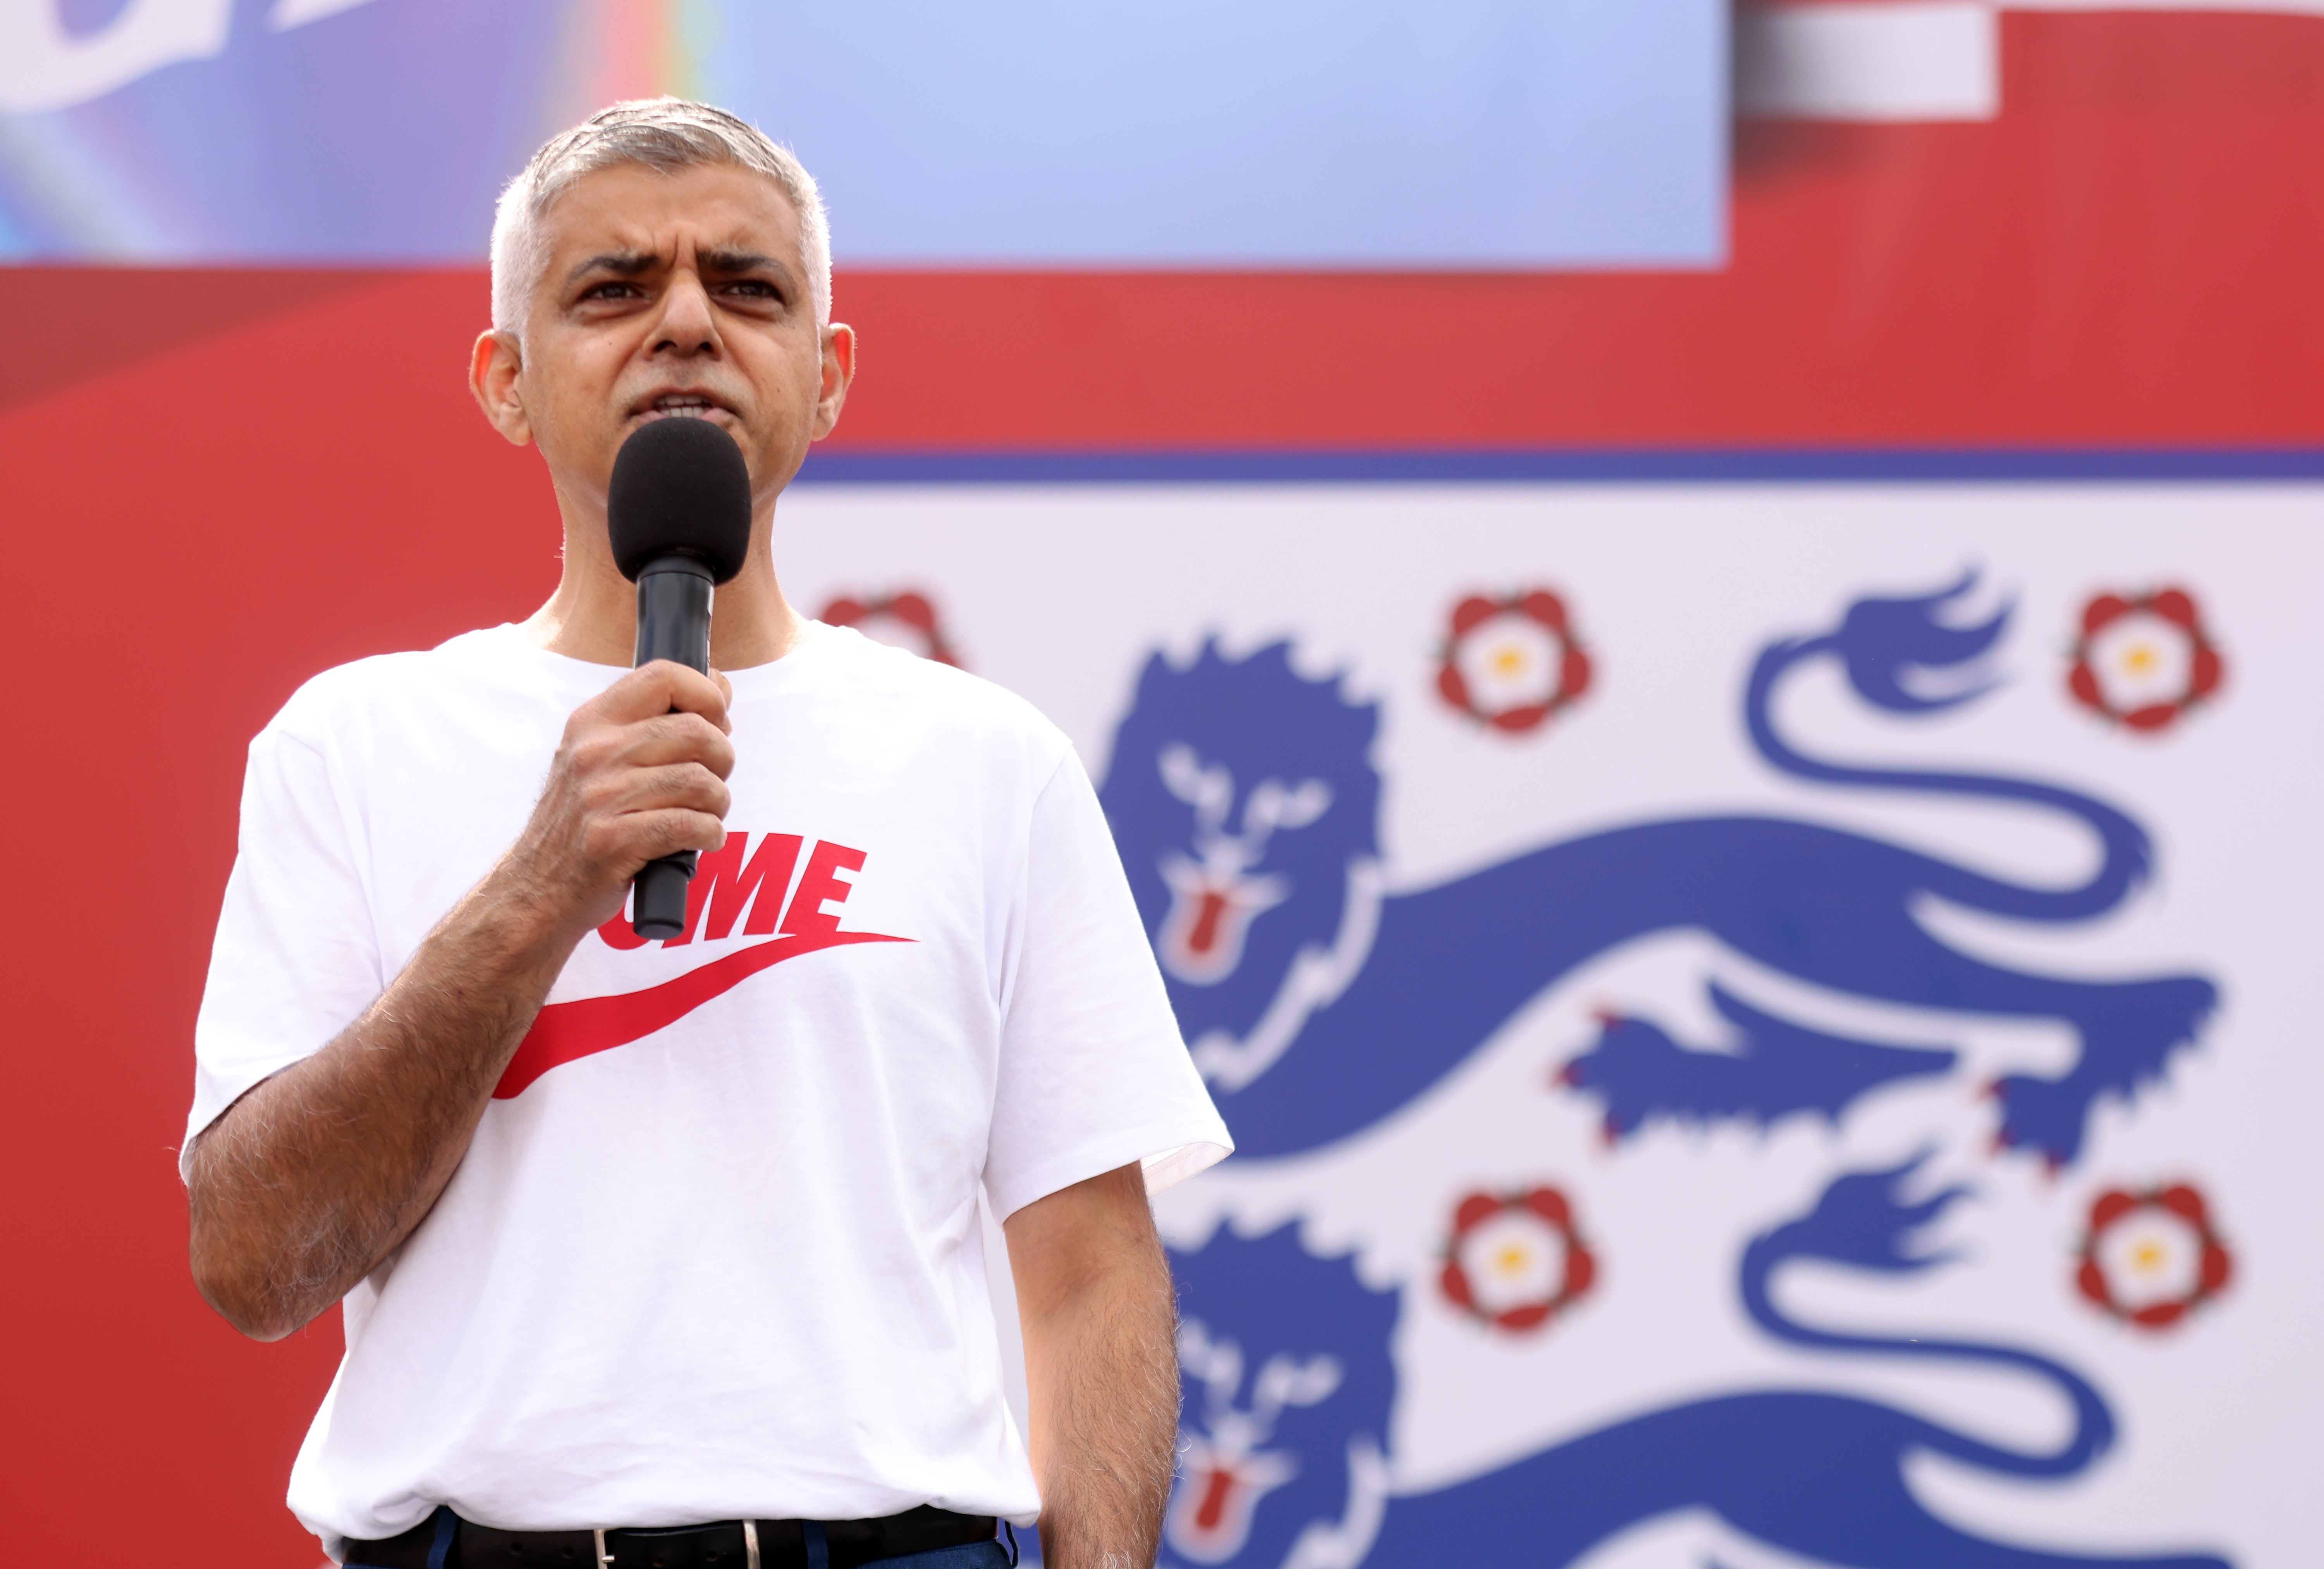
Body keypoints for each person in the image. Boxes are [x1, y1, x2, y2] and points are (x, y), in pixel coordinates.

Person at [182, 98, 1230, 1569]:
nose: (686, 322)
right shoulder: (352, 745)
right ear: (505, 379)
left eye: (748, 287)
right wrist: (546, 879)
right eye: (613, 288)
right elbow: (255, 1260)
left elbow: (1090, 1271)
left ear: (828, 372)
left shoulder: (990, 761)